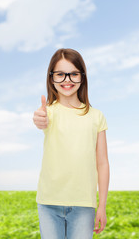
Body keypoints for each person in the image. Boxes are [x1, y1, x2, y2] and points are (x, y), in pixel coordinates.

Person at [33, 48, 109, 239]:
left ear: (82, 77)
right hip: (49, 202)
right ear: (51, 78)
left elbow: (102, 163)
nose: (67, 80)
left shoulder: (96, 116)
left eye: (73, 74)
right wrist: (39, 119)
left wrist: (102, 206)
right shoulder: (48, 112)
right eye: (60, 74)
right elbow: (40, 120)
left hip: (84, 205)